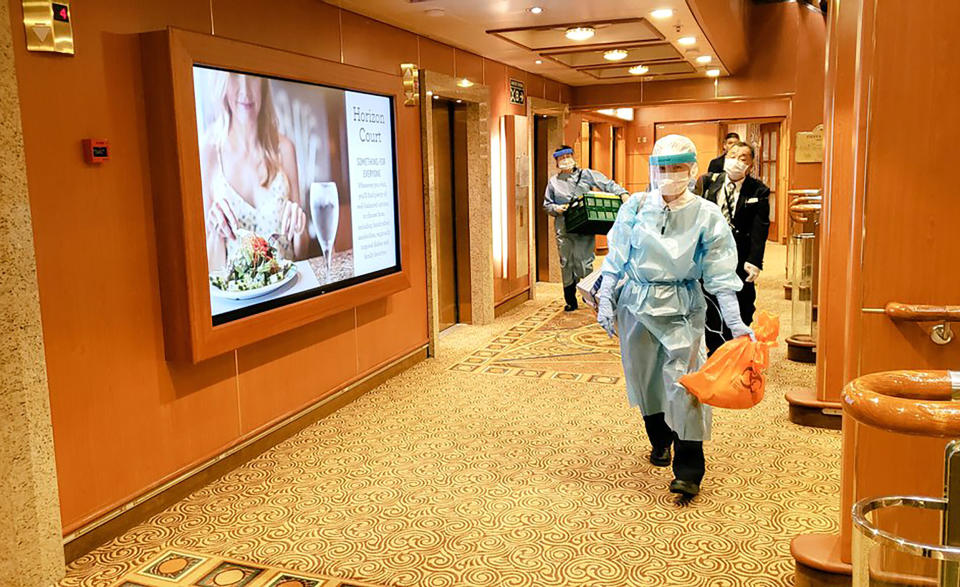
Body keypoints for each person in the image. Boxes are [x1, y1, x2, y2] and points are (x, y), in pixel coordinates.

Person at [595, 135, 754, 498]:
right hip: (635, 303)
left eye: (677, 168)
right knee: (645, 379)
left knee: (685, 383)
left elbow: (720, 274)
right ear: (652, 170)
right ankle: (659, 437)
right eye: (662, 168)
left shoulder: (706, 214)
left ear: (692, 170)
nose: (669, 175)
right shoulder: (635, 207)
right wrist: (606, 297)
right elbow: (616, 256)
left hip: (682, 306)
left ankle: (689, 466)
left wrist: (736, 323)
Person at [200, 71, 308, 271]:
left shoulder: (285, 148)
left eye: (252, 77)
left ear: (264, 83)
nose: (245, 90)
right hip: (239, 299)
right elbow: (212, 271)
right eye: (233, 75)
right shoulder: (209, 151)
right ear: (222, 82)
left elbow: (301, 254)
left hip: (288, 293)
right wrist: (215, 232)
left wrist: (300, 229)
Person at [696, 142, 771, 355]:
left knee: (742, 302)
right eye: (732, 155)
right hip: (709, 252)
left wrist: (755, 261)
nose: (736, 161)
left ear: (751, 164)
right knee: (709, 302)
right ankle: (716, 350)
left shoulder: (758, 190)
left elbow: (760, 228)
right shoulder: (708, 182)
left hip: (740, 255)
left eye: (743, 158)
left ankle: (737, 347)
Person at [543, 145, 629, 311]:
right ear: (556, 162)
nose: (565, 160)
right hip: (564, 226)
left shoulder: (586, 174)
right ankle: (570, 299)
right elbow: (547, 204)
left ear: (573, 157)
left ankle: (588, 294)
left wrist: (623, 194)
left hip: (583, 224)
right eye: (561, 158)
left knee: (584, 261)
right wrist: (556, 209)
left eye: (568, 156)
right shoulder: (553, 182)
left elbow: (607, 184)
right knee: (566, 262)